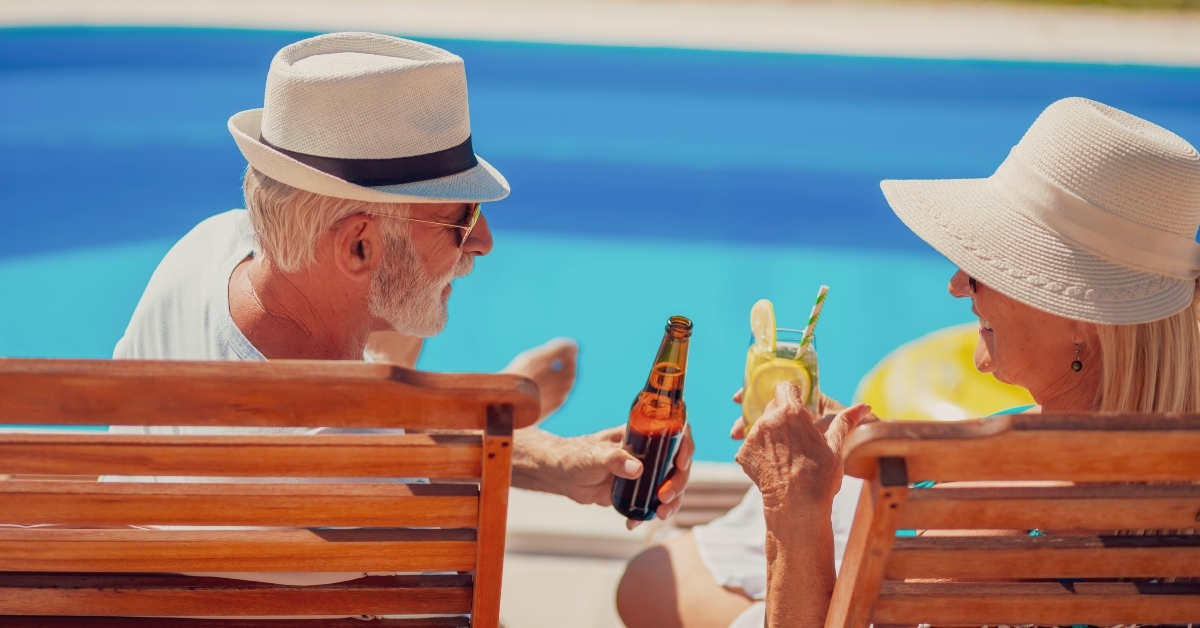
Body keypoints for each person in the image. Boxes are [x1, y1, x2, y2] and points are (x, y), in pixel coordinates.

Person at [108, 32, 693, 584]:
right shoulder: (370, 478)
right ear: (359, 245)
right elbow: (389, 444)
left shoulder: (204, 249)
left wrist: (555, 457)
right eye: (461, 219)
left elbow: (389, 425)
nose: (484, 241)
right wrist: (507, 403)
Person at [620, 96, 1200, 627]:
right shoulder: (1156, 454)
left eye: (989, 268)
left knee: (654, 582)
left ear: (1081, 318)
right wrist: (874, 448)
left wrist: (792, 499)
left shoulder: (994, 514)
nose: (956, 285)